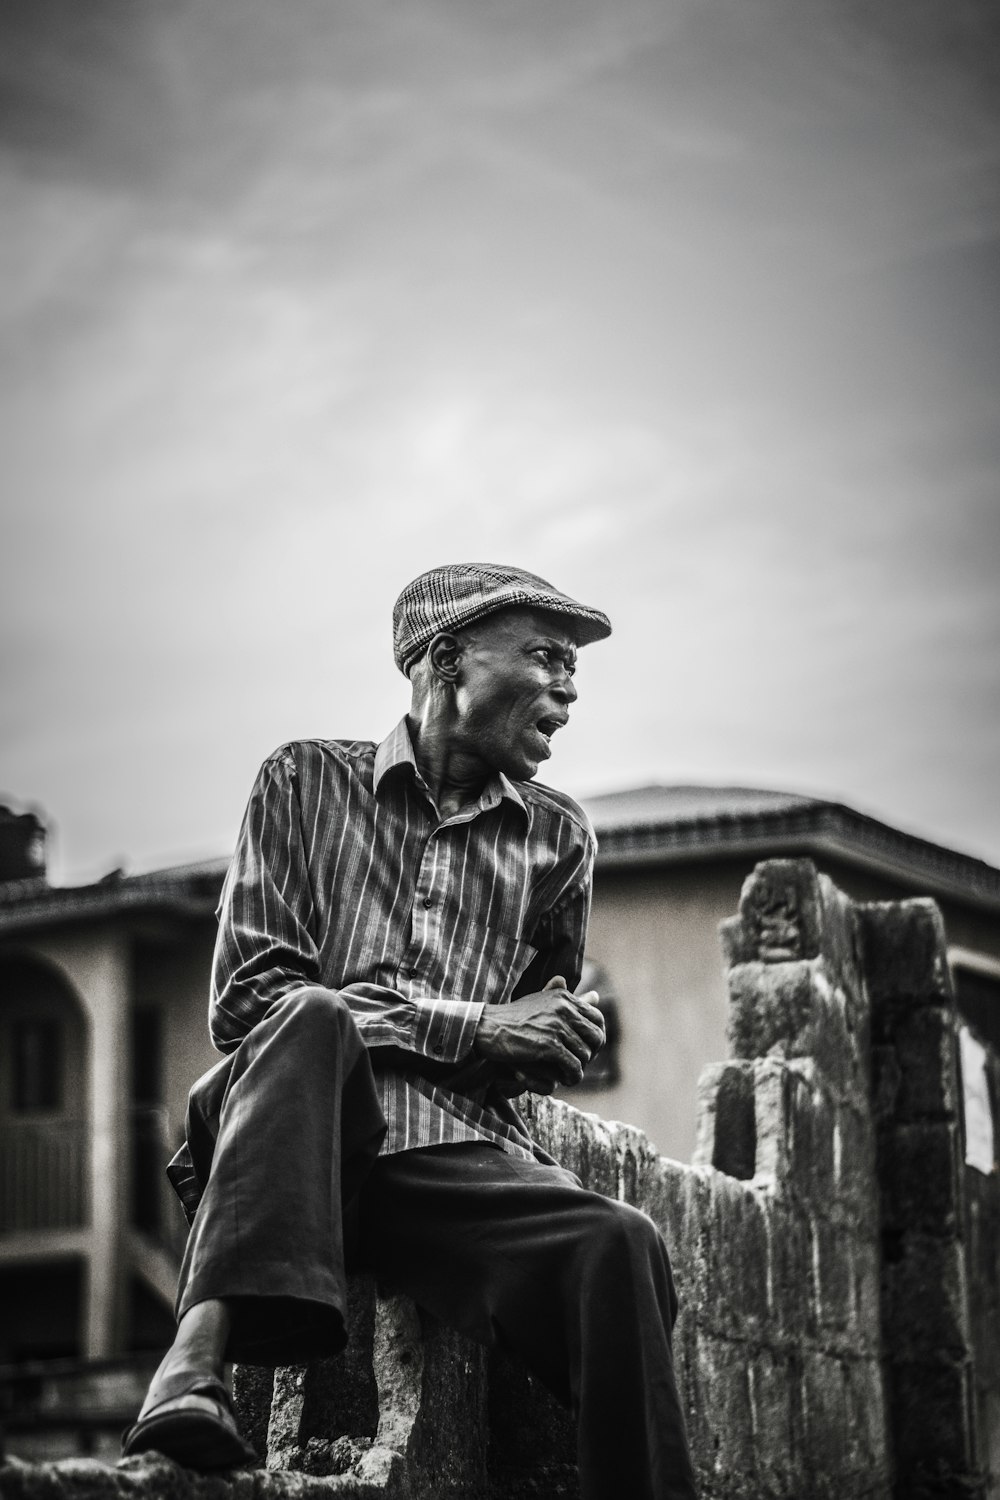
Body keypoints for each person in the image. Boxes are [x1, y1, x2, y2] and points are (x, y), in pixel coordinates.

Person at [121, 562, 698, 1500]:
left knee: (620, 1242)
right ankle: (192, 1367)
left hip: (441, 1160)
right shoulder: (303, 780)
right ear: (447, 661)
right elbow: (250, 1000)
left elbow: (520, 1046)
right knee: (307, 1012)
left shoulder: (560, 839)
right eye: (547, 657)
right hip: (286, 1138)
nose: (570, 686)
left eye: (575, 668)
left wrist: (549, 1039)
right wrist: (476, 1025)